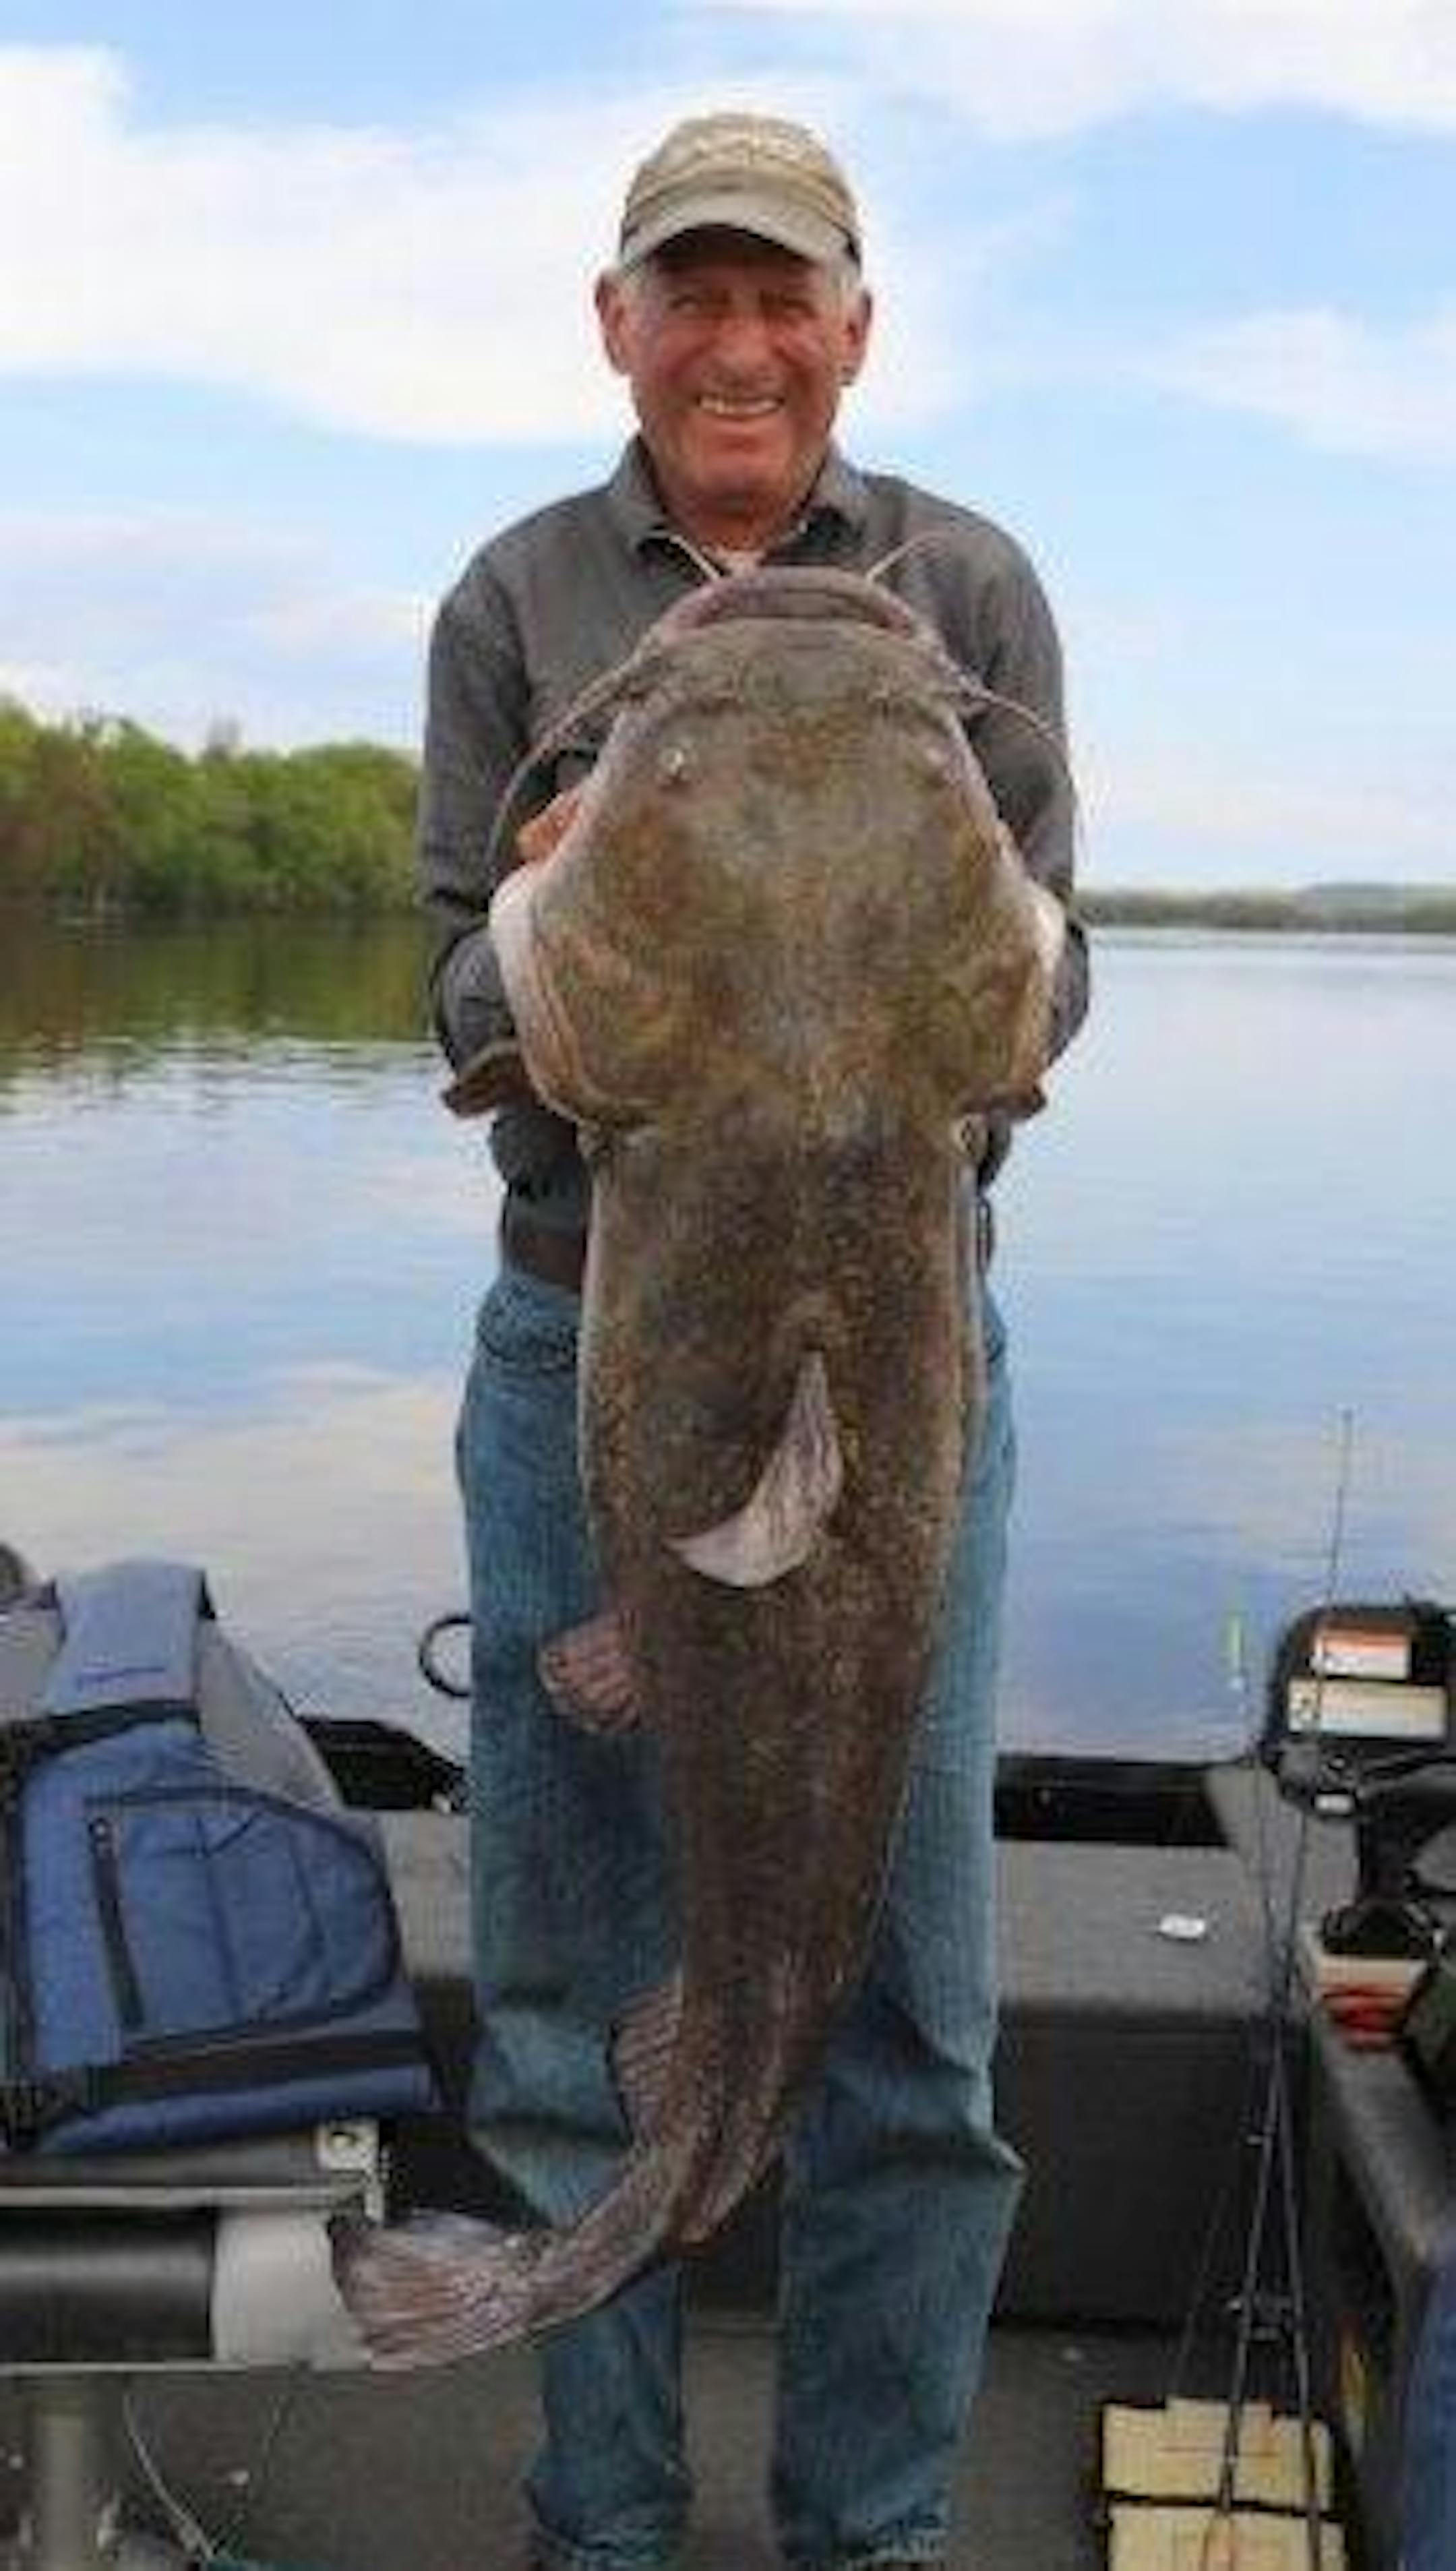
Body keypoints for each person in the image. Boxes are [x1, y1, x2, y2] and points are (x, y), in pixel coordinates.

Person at [419, 108, 1089, 2571]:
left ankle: (875, 2534)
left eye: (780, 293)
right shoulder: (512, 596)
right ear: (620, 324)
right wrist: (536, 926)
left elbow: (1042, 997)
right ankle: (601, 2519)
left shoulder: (976, 592)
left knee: (916, 2019)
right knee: (572, 1984)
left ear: (852, 328)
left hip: (911, 1376)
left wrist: (1022, 951)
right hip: (576, 1347)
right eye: (688, 294)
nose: (737, 340)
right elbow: (458, 1005)